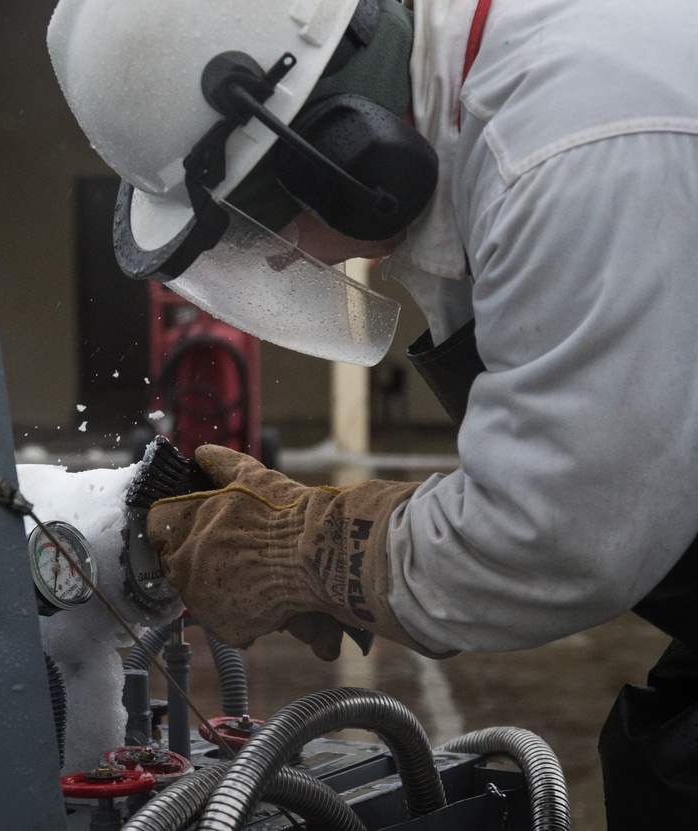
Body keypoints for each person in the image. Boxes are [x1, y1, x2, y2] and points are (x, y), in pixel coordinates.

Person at [48, 0, 698, 825]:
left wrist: (312, 551)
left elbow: (566, 532)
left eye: (262, 222)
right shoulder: (495, 109)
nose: (279, 252)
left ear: (342, 155)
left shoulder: (569, 150)